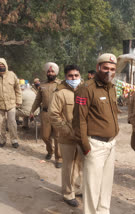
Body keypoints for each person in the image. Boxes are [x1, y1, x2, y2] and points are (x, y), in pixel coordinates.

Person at [73, 53, 119, 214]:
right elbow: (79, 120)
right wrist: (86, 147)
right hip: (94, 145)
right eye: (105, 68)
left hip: (111, 144)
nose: (109, 72)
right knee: (92, 187)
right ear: (98, 67)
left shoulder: (112, 88)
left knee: (106, 184)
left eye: (112, 69)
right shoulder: (86, 89)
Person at [49, 64, 83, 207]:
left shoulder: (84, 90)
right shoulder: (60, 93)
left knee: (80, 165)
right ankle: (68, 194)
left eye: (76, 75)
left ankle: (77, 188)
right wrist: (68, 131)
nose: (74, 78)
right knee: (68, 166)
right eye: (71, 76)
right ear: (66, 77)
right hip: (67, 136)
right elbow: (54, 115)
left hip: (83, 136)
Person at [30, 62, 63, 168]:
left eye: (52, 71)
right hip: (45, 114)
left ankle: (59, 158)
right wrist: (32, 110)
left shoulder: (61, 85)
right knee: (45, 136)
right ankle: (50, 151)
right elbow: (37, 99)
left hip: (58, 114)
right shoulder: (42, 85)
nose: (50, 73)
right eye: (48, 71)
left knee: (58, 137)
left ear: (56, 72)